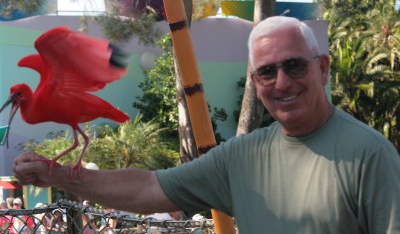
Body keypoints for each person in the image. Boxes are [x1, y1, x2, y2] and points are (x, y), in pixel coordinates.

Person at [12, 16, 400, 234]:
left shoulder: (370, 156)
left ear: (323, 68)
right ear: (255, 82)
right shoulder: (243, 156)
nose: (282, 82)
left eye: (294, 65)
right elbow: (150, 188)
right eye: (266, 72)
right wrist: (58, 174)